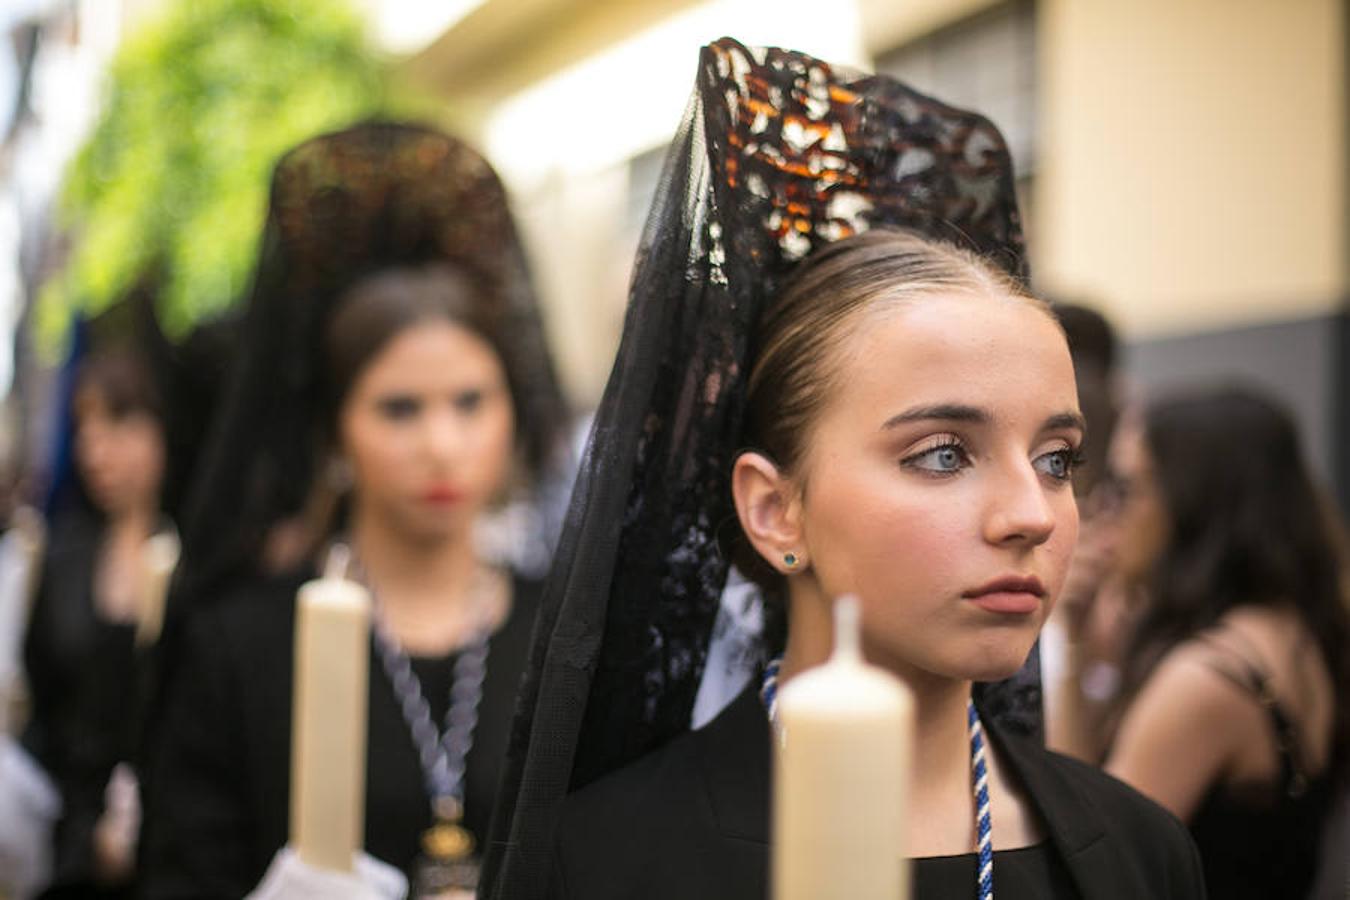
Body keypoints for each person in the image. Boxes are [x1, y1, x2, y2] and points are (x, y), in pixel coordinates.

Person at [481, 38, 1204, 900]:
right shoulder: (606, 865)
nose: (1033, 515)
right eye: (943, 454)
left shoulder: (1141, 855)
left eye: (1056, 459)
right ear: (775, 509)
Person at [137, 122, 568, 899]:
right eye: (400, 409)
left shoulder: (567, 637)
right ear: (336, 434)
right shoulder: (239, 647)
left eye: (470, 402)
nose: (443, 443)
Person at [1054, 385, 1349, 898]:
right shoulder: (1291, 626)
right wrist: (1078, 640)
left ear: (1193, 501)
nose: (1102, 508)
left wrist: (1058, 638)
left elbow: (1088, 864)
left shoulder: (1204, 680)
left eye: (1126, 488)